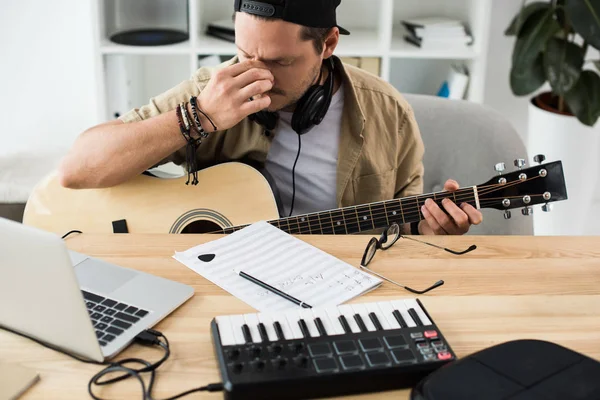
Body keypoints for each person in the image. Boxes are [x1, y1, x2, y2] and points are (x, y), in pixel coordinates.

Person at [58, 0, 483, 236]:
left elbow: (406, 233)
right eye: (245, 54)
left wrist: (433, 232)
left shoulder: (388, 112)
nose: (256, 75)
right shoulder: (213, 89)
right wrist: (199, 116)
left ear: (328, 44)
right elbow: (77, 169)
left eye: (279, 62)